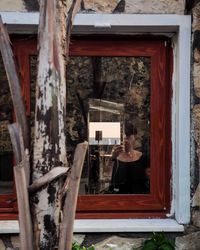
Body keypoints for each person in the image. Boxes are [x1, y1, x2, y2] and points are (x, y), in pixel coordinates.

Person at [110, 123, 149, 194]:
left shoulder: (143, 158)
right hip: (118, 198)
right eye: (122, 137)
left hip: (139, 198)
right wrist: (113, 158)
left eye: (128, 136)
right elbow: (108, 180)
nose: (125, 140)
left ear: (135, 137)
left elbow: (149, 180)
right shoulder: (116, 157)